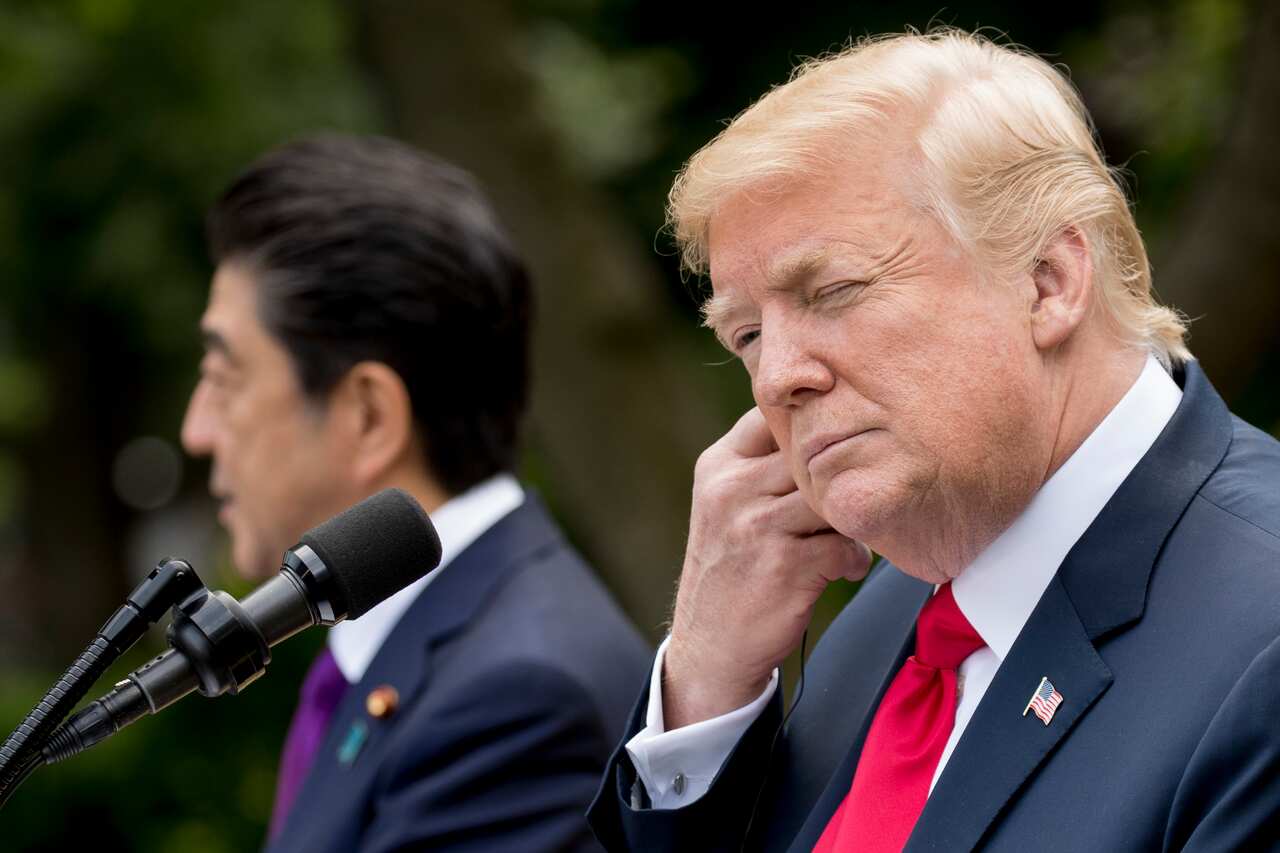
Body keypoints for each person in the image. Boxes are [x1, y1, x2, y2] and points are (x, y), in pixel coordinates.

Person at [586, 29, 1280, 852]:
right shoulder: (897, 604)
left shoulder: (1261, 638)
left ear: (1048, 282)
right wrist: (704, 684)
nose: (775, 378)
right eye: (744, 336)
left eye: (834, 290)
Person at [181, 133, 650, 852]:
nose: (196, 430)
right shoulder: (437, 647)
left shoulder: (515, 700)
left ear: (369, 415)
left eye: (225, 379)